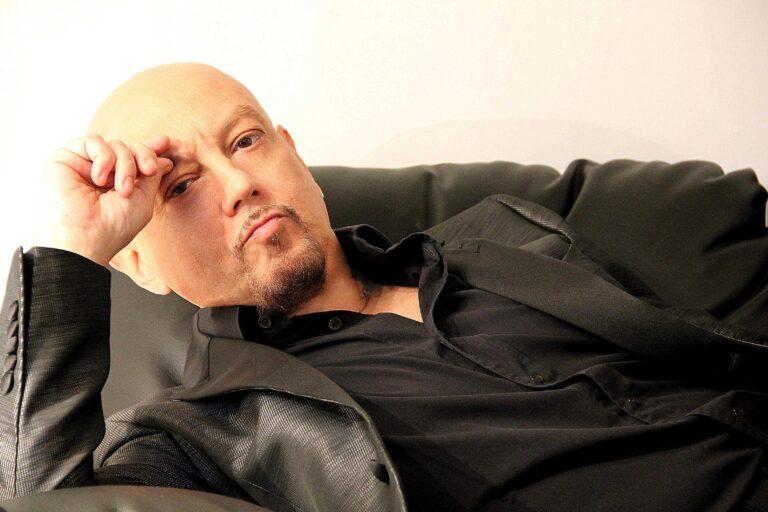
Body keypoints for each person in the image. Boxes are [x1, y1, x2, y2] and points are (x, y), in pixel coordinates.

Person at [1, 61, 767, 512]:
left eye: (247, 141)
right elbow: (48, 506)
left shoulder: (505, 235)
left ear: (294, 155)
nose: (239, 184)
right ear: (138, 265)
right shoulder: (199, 436)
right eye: (180, 186)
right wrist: (71, 248)